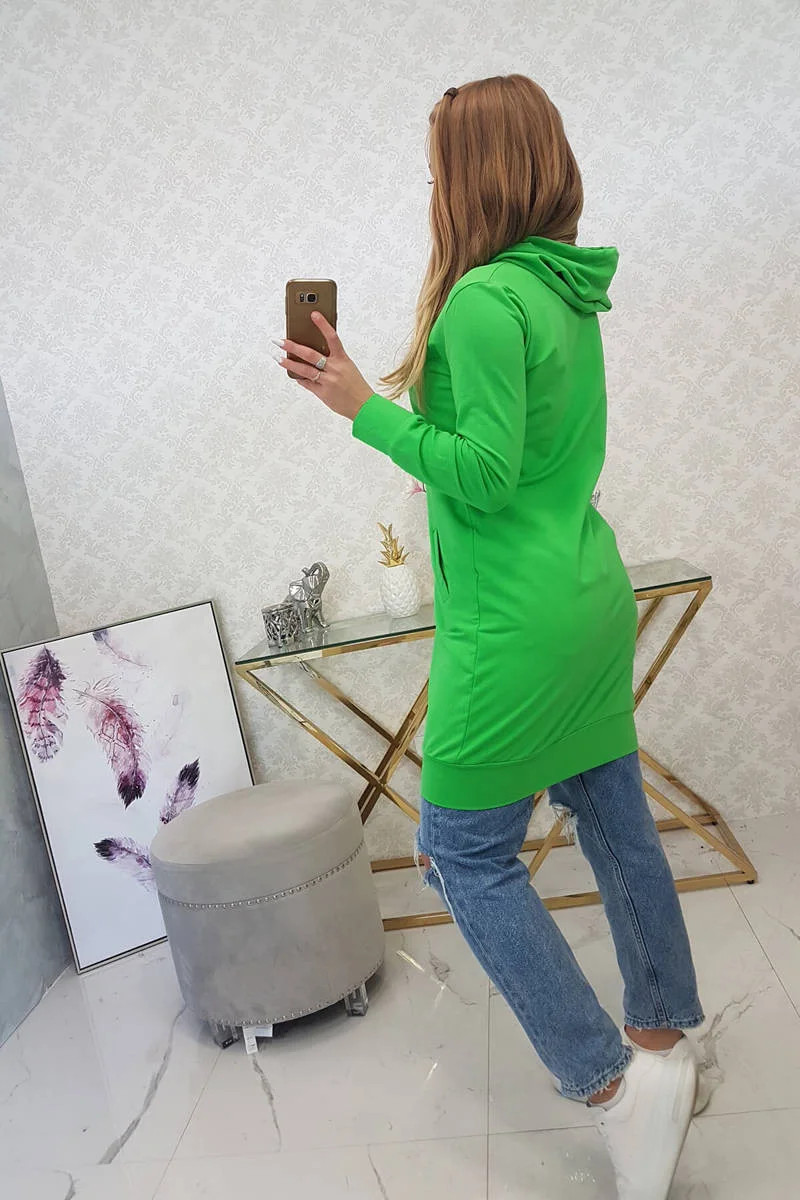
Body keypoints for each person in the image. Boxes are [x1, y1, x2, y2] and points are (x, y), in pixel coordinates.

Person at [273, 73, 704, 1200]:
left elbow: (485, 472)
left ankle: (613, 1088)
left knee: (458, 851)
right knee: (614, 819)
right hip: (584, 594)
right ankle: (666, 1046)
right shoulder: (562, 288)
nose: (430, 191)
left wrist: (362, 408)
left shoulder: (480, 300)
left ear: (471, 175)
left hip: (516, 623)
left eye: (435, 171)